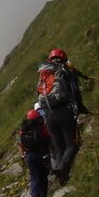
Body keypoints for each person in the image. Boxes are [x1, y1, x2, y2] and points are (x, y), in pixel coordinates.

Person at [36, 48, 79, 184]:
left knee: (59, 147)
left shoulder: (44, 75)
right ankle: (62, 168)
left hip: (48, 114)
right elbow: (75, 90)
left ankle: (61, 176)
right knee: (71, 145)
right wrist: (80, 107)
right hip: (62, 111)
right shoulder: (63, 70)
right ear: (63, 58)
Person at [17, 108, 52, 197]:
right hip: (39, 154)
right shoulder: (39, 127)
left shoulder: (23, 130)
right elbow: (47, 138)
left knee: (34, 176)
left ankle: (35, 195)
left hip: (28, 155)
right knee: (43, 177)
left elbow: (20, 144)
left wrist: (22, 155)